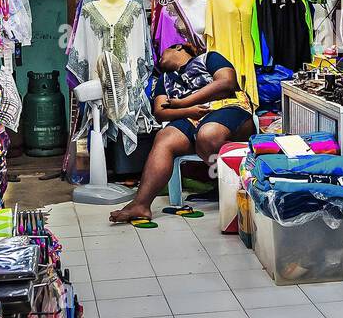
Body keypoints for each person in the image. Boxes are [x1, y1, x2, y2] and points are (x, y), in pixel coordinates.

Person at [109, 42, 255, 224]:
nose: (159, 58)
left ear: (179, 48)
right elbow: (160, 112)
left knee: (208, 134)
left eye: (163, 53)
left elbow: (226, 82)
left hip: (228, 108)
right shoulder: (164, 79)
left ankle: (233, 188)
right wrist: (189, 111)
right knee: (165, 138)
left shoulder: (209, 58)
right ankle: (141, 204)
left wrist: (184, 101)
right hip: (191, 117)